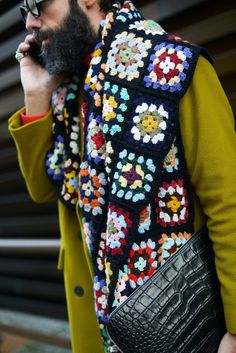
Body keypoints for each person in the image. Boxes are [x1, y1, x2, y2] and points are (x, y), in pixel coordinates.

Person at [8, 0, 236, 352]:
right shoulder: (68, 91)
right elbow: (42, 190)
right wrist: (37, 96)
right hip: (99, 328)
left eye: (37, 4)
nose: (30, 23)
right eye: (23, 12)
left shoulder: (170, 65)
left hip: (182, 330)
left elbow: (229, 203)